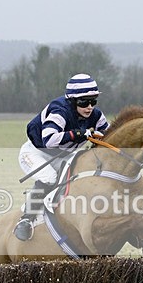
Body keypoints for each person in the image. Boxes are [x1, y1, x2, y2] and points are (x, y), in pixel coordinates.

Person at [13, 73, 110, 241]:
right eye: (83, 102)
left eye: (93, 101)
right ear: (72, 101)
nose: (89, 107)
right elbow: (49, 139)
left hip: (64, 155)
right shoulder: (59, 110)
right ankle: (26, 220)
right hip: (36, 153)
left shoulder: (96, 115)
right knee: (50, 178)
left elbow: (109, 134)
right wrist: (79, 133)